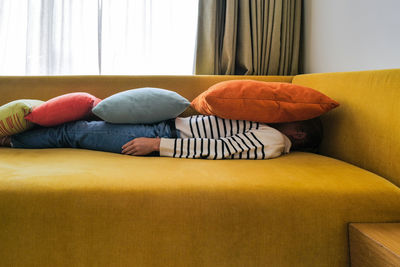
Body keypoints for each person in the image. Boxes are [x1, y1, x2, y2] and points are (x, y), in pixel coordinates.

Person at [0, 115, 323, 160]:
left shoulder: (275, 140)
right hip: (164, 127)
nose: (284, 119)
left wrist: (157, 144)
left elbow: (220, 148)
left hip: (161, 135)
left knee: (76, 132)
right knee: (84, 122)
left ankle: (7, 141)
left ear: (299, 133)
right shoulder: (270, 133)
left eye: (292, 121)